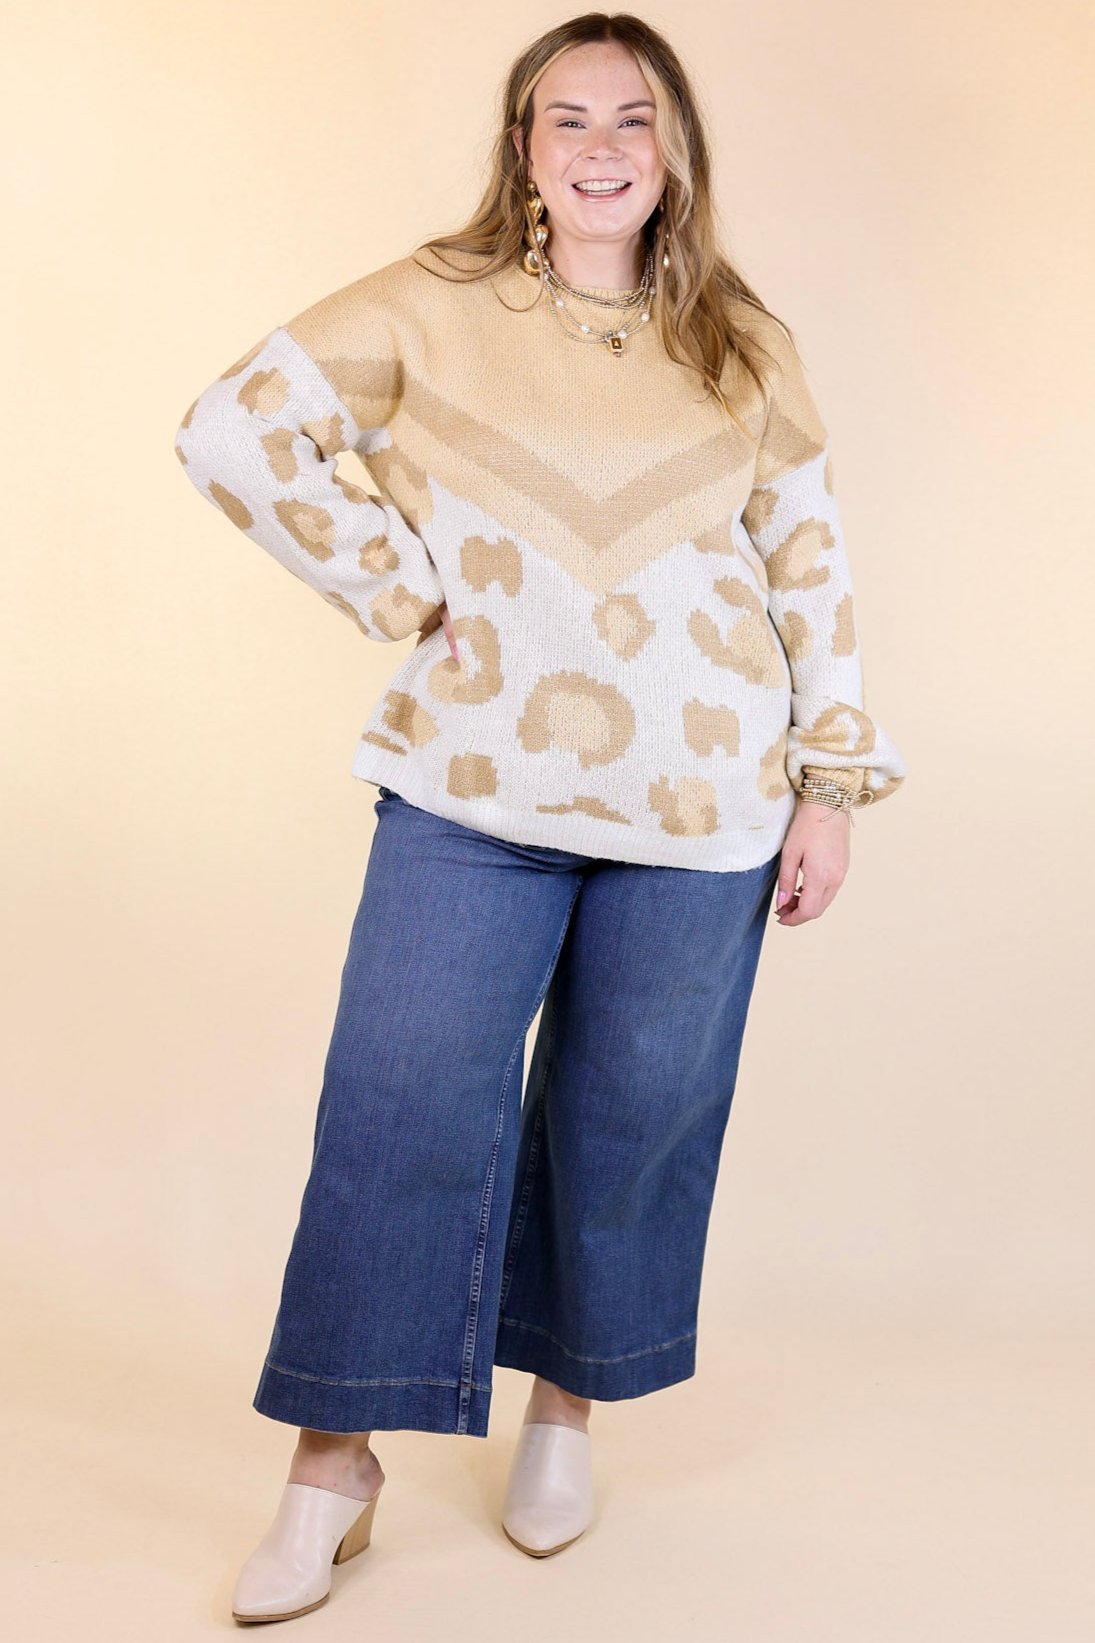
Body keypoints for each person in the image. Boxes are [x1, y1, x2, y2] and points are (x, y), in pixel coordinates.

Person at [174, 10, 906, 1624]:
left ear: (674, 150)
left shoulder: (743, 342)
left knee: (632, 1114)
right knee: (400, 1101)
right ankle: (331, 1466)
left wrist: (830, 785)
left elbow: (811, 566)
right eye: (566, 118)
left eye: (632, 119)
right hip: (472, 787)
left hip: (707, 806)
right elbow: (231, 427)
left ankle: (565, 1414)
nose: (599, 147)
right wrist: (395, 584)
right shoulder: (428, 308)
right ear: (522, 149)